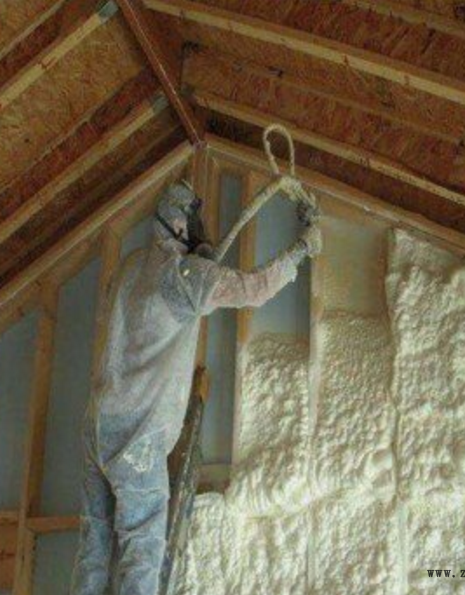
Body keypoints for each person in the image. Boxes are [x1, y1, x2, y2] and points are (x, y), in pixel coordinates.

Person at [70, 180, 322, 595]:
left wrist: (201, 266)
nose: (200, 230)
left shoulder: (131, 266)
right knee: (141, 545)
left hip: (97, 424)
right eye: (195, 223)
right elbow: (255, 288)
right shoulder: (184, 277)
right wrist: (302, 248)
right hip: (137, 438)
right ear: (180, 227)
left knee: (94, 541)